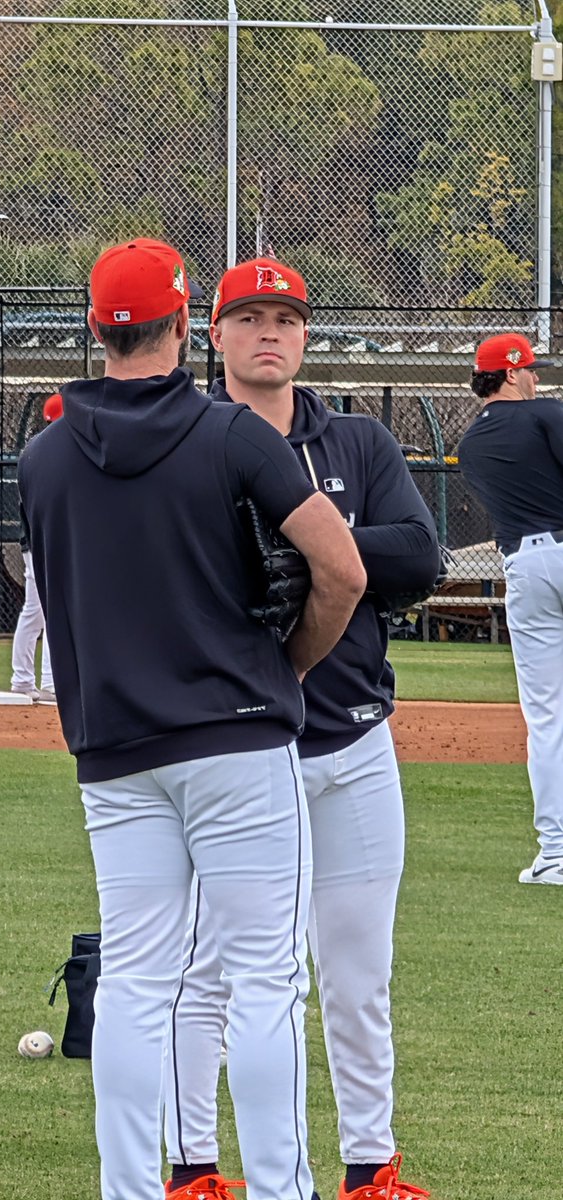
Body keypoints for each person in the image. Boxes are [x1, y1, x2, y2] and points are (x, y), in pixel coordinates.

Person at [18, 237, 366, 1200]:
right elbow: (341, 570)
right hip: (237, 736)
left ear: (96, 329)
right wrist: (286, 663)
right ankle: (280, 1189)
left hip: (114, 751)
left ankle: (130, 1188)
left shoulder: (42, 458)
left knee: (135, 980)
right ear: (184, 327)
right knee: (263, 981)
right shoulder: (231, 434)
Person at [164, 258, 440, 1200]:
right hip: (240, 747)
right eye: (247, 318)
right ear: (213, 334)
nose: (267, 332)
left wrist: (304, 539)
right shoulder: (190, 439)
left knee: (359, 974)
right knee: (215, 972)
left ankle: (372, 1166)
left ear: (306, 337)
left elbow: (416, 555)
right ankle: (194, 1167)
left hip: (355, 739)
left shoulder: (356, 441)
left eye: (284, 318)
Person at [458, 332, 563, 884]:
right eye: (530, 370)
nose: (537, 378)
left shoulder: (471, 444)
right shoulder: (546, 414)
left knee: (547, 718)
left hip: (523, 564)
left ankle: (556, 854)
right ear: (511, 372)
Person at [10, 404, 61, 703]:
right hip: (42, 542)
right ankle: (48, 683)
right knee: (50, 611)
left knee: (35, 612)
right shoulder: (49, 453)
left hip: (35, 541)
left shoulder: (35, 451)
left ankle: (23, 678)